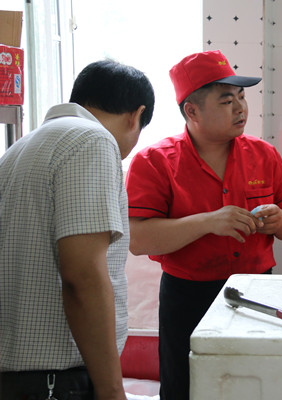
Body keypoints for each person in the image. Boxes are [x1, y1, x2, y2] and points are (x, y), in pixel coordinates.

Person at [125, 50, 282, 399]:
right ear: (192, 111)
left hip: (258, 294)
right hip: (189, 297)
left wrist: (280, 220)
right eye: (226, 101)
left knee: (255, 387)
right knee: (187, 386)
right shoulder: (155, 161)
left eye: (241, 97)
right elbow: (138, 239)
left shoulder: (263, 154)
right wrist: (208, 222)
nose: (240, 108)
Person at [0, 60, 155, 400]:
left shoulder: (21, 149)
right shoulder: (92, 141)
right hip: (53, 382)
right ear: (136, 115)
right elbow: (83, 275)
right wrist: (112, 390)